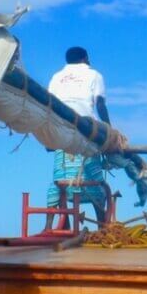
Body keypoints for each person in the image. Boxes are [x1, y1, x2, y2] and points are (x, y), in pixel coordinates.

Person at [45, 47, 111, 226]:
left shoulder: (56, 77)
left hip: (61, 132)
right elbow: (100, 104)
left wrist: (49, 134)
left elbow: (49, 104)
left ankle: (59, 227)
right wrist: (109, 132)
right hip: (87, 131)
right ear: (85, 58)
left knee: (61, 179)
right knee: (96, 182)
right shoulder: (94, 74)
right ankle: (102, 226)